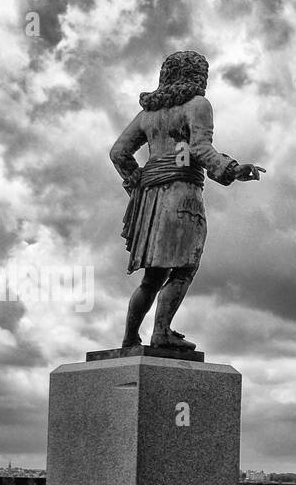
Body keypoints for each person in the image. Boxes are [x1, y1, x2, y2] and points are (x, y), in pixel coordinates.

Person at [110, 50, 264, 351]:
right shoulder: (197, 105)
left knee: (153, 276)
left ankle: (130, 338)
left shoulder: (148, 115)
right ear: (197, 76)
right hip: (181, 195)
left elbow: (118, 153)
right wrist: (232, 168)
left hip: (151, 199)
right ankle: (161, 332)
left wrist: (139, 182)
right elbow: (200, 148)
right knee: (184, 267)